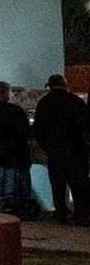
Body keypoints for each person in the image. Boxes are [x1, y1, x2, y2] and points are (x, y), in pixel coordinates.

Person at [33, 75, 90, 225]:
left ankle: (60, 214)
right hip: (76, 150)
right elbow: (86, 126)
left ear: (49, 86)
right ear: (65, 84)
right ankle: (81, 214)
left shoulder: (44, 103)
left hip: (55, 152)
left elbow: (37, 129)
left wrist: (46, 146)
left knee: (58, 185)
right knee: (79, 185)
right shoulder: (76, 101)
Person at [0, 81, 36, 215]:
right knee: (15, 183)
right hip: (16, 155)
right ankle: (17, 207)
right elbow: (25, 131)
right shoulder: (16, 110)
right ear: (6, 93)